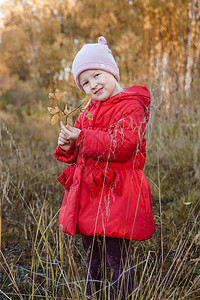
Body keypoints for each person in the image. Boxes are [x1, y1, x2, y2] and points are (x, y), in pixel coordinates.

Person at [54, 36, 155, 299]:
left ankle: (123, 295)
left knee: (116, 256)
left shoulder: (131, 105)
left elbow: (124, 145)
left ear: (111, 71)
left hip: (116, 194)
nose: (93, 85)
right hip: (89, 194)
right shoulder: (87, 111)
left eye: (97, 75)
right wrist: (67, 145)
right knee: (91, 256)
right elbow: (80, 153)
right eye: (85, 82)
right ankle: (93, 295)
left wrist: (82, 138)